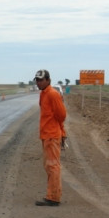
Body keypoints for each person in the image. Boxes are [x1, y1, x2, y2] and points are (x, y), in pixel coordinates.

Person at [33, 69, 67, 206]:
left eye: (41, 80)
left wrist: (61, 133)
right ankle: (52, 195)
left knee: (53, 166)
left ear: (48, 80)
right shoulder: (43, 94)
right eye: (37, 80)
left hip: (52, 135)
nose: (38, 82)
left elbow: (61, 116)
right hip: (46, 135)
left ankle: (53, 198)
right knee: (49, 166)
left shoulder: (53, 94)